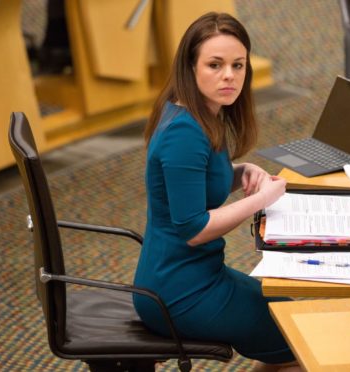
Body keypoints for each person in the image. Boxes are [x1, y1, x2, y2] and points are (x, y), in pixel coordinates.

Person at [133, 12, 301, 372]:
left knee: (292, 316)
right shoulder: (185, 133)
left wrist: (243, 173)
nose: (229, 75)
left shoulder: (200, 113)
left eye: (238, 65)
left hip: (198, 274)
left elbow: (196, 182)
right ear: (190, 67)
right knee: (301, 337)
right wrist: (261, 199)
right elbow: (193, 228)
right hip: (179, 291)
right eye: (215, 64)